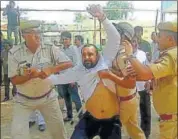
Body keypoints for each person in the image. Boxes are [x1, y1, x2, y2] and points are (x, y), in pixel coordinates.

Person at [48, 4, 137, 139]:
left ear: (98, 55)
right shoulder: (79, 70)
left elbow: (114, 38)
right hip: (90, 118)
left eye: (91, 54)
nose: (87, 57)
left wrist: (102, 17)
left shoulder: (106, 60)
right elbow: (57, 79)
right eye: (84, 55)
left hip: (112, 120)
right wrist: (38, 75)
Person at [8, 20, 73, 139]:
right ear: (24, 35)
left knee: (59, 133)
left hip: (48, 98)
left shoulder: (49, 48)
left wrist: (51, 69)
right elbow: (14, 80)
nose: (38, 35)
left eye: (39, 31)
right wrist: (31, 75)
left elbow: (69, 63)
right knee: (17, 134)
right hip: (23, 100)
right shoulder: (14, 53)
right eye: (33, 32)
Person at [126, 22, 177, 139]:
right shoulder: (171, 54)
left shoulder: (171, 56)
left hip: (172, 120)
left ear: (170, 39)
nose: (156, 39)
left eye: (159, 36)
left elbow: (145, 73)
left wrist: (130, 55)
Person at [111, 23, 146, 139]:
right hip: (131, 98)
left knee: (111, 130)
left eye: (115, 32)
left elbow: (129, 79)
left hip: (125, 101)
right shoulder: (123, 51)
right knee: (134, 130)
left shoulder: (122, 55)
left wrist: (109, 73)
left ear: (123, 35)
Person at [58, 31, 83, 122]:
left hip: (71, 78)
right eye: (63, 39)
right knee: (66, 97)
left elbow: (76, 65)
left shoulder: (74, 49)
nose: (64, 41)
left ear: (70, 40)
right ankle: (69, 116)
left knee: (75, 97)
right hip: (63, 78)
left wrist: (73, 79)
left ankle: (81, 117)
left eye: (66, 39)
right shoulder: (60, 50)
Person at [132, 36, 151, 139]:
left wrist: (148, 81)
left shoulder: (142, 54)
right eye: (131, 42)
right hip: (130, 90)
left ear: (137, 43)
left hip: (143, 87)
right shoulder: (124, 56)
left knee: (146, 113)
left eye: (134, 42)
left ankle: (146, 134)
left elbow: (147, 68)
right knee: (132, 114)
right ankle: (134, 134)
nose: (133, 44)